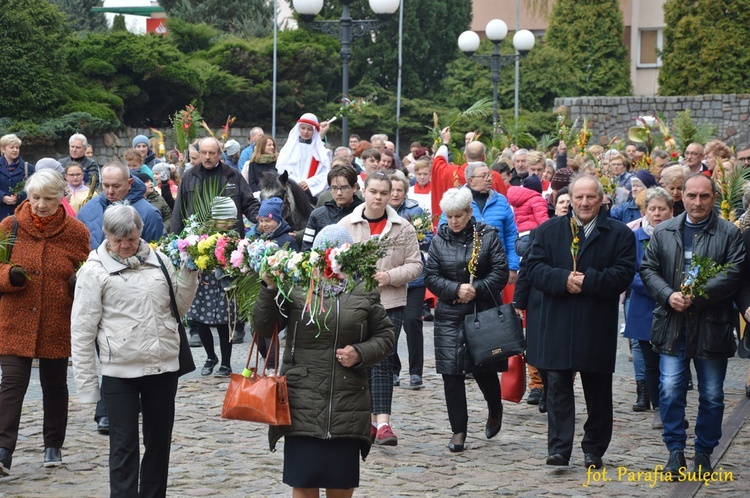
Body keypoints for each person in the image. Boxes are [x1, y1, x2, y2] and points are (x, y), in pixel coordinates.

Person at [252, 224, 394, 498]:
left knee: (340, 485)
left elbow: (386, 335)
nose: (328, 260)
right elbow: (263, 326)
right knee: (304, 483)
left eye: (336, 254)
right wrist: (269, 288)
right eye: (322, 254)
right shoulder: (296, 283)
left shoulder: (363, 286)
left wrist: (360, 352)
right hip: (302, 400)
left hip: (348, 402)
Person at [71, 204, 198, 497]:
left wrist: (189, 276)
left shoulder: (160, 260)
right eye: (118, 240)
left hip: (162, 367)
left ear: (140, 232)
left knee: (158, 444)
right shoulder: (94, 271)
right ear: (106, 236)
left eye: (131, 238)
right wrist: (89, 387)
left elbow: (177, 309)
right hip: (120, 372)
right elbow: (82, 331)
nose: (125, 246)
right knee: (123, 445)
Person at [526, 174, 636, 469]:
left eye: (591, 197)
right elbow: (534, 269)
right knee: (558, 386)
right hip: (558, 320)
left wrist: (587, 283)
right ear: (569, 199)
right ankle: (559, 448)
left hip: (595, 322)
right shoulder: (547, 231)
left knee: (598, 388)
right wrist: (563, 279)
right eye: (579, 197)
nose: (585, 203)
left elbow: (623, 274)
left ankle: (594, 448)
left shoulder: (619, 233)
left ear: (601, 200)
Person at [640, 173, 745, 476]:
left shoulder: (729, 233)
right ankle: (675, 450)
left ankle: (703, 451)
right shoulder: (665, 231)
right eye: (691, 196)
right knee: (671, 388)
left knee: (712, 394)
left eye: (704, 196)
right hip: (672, 323)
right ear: (681, 197)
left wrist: (697, 295)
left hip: (712, 324)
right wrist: (668, 294)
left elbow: (734, 272)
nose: (697, 202)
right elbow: (648, 268)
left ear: (714, 198)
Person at [0, 170, 90, 475]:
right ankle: (2, 450)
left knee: (54, 385)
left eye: (48, 199)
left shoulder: (76, 231)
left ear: (60, 198)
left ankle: (53, 445)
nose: (40, 204)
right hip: (15, 318)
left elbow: (86, 269)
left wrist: (78, 281)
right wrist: (7, 275)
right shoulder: (10, 226)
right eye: (35, 197)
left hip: (56, 319)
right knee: (12, 385)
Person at [338, 172, 422, 446]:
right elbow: (332, 262)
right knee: (356, 359)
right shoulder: (346, 225)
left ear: (391, 195)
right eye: (373, 191)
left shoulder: (403, 227)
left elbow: (416, 264)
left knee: (383, 359)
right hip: (353, 303)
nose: (378, 197)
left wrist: (390, 276)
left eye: (383, 193)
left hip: (390, 303)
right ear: (363, 191)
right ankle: (363, 420)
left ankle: (383, 423)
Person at [424, 188, 509, 452]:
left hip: (480, 312)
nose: (454, 221)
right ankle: (458, 430)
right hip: (449, 315)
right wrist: (454, 289)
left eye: (458, 216)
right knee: (451, 374)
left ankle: (495, 408)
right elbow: (431, 276)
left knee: (484, 369)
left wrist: (476, 289)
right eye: (449, 217)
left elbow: (500, 271)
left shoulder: (487, 235)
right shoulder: (439, 240)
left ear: (469, 213)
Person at [623, 187, 674, 430]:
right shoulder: (635, 237)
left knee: (674, 362)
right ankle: (658, 408)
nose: (657, 213)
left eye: (661, 209)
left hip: (674, 308)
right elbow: (629, 273)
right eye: (652, 209)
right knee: (651, 362)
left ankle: (673, 406)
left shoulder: (679, 235)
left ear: (671, 211)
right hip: (644, 306)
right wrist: (658, 289)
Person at [189, 197, 241, 377]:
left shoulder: (233, 237)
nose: (228, 224)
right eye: (225, 220)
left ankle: (226, 363)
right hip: (205, 284)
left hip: (224, 286)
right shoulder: (202, 234)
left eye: (231, 221)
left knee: (224, 324)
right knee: (201, 320)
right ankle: (211, 356)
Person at [389, 171, 431, 389]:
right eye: (392, 189)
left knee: (412, 322)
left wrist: (415, 236)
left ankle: (416, 372)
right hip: (388, 279)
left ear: (405, 192)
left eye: (399, 190)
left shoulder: (415, 210)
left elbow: (429, 239)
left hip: (413, 279)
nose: (395, 194)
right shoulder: (380, 212)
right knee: (389, 325)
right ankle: (393, 369)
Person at [171, 137, 260, 236]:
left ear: (219, 154)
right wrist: (174, 239)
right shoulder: (189, 177)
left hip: (229, 239)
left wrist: (258, 217)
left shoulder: (232, 175)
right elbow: (178, 210)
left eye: (211, 153)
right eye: (203, 153)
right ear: (199, 154)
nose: (207, 157)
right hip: (197, 240)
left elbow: (249, 203)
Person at [78, 162, 165, 249]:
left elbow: (157, 253)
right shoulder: (86, 210)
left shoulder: (149, 213)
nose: (110, 191)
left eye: (116, 186)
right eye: (106, 185)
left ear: (130, 183)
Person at [302, 165, 363, 251]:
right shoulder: (317, 215)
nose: (339, 193)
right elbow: (306, 249)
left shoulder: (363, 213)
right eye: (334, 188)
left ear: (354, 187)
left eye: (344, 188)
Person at [276, 113, 332, 200]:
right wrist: (297, 182)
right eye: (303, 128)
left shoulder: (322, 152)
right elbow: (282, 168)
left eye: (309, 129)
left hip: (311, 194)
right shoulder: (288, 149)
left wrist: (308, 183)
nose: (305, 132)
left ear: (314, 131)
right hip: (290, 191)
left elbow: (325, 174)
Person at [0, 134, 35, 221]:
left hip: (20, 215)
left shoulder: (28, 168)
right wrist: (2, 197)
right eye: (11, 147)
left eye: (17, 147)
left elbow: (34, 189)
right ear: (3, 149)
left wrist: (18, 197)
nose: (15, 150)